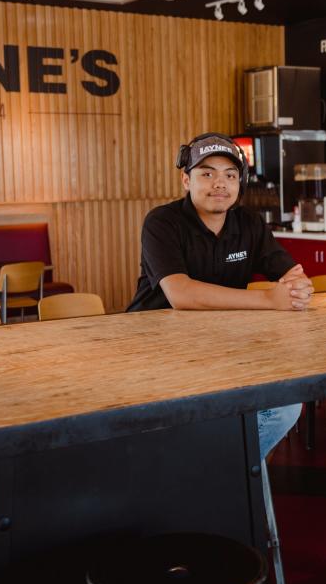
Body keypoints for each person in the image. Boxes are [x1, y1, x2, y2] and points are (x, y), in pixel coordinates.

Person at [127, 132, 314, 456]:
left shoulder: (249, 223)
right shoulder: (162, 222)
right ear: (186, 180)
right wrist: (269, 300)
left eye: (230, 175)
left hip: (224, 346)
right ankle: (223, 469)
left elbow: (291, 273)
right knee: (203, 429)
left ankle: (221, 467)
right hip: (156, 351)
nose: (220, 183)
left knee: (286, 407)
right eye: (207, 173)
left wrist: (298, 289)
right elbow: (180, 293)